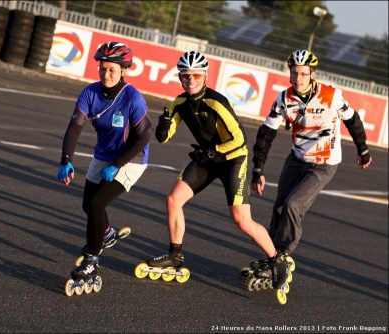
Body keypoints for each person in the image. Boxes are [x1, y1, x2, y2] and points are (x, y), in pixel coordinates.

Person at [148, 50, 288, 288]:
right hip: (208, 158)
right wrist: (162, 129)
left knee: (241, 219)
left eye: (196, 75)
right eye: (185, 75)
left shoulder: (216, 101)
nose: (190, 80)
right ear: (180, 77)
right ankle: (175, 255)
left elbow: (240, 140)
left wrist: (212, 152)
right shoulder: (180, 103)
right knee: (173, 199)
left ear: (205, 76)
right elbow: (165, 137)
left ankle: (277, 260)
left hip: (233, 160)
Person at [250, 49, 372, 269]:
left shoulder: (331, 96)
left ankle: (282, 256)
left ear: (313, 74)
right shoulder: (284, 98)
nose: (298, 79)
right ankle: (272, 255)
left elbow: (353, 120)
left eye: (304, 74)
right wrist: (258, 169)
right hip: (297, 158)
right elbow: (266, 133)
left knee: (293, 205)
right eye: (295, 73)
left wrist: (362, 150)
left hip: (324, 163)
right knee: (279, 208)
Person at [57, 41, 152, 281]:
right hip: (103, 154)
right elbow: (74, 128)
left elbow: (143, 138)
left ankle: (92, 260)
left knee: (98, 204)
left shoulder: (133, 98)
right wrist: (65, 160)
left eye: (112, 69)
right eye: (102, 68)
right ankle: (106, 234)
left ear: (124, 70)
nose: (106, 74)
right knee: (88, 206)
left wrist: (117, 164)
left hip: (132, 159)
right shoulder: (90, 92)